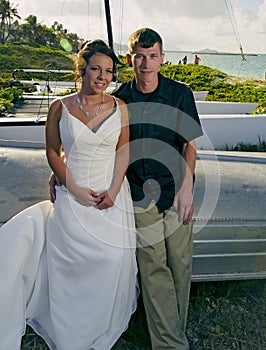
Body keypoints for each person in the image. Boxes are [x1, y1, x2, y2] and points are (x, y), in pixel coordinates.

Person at [0, 39, 138, 350]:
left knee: (114, 258)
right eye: (95, 69)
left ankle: (100, 324)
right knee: (70, 262)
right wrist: (70, 185)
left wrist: (114, 191)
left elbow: (123, 152)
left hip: (111, 193)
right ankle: (69, 328)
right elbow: (52, 151)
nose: (102, 77)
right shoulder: (58, 108)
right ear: (81, 69)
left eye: (108, 71)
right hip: (72, 194)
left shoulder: (120, 108)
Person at [112, 28, 203, 350]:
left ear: (162, 59)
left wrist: (187, 189)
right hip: (139, 193)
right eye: (140, 56)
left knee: (179, 264)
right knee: (153, 268)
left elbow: (190, 146)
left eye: (152, 57)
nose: (146, 64)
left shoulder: (180, 94)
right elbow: (104, 145)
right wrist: (61, 166)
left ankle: (173, 332)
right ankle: (172, 345)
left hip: (176, 188)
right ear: (130, 58)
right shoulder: (119, 98)